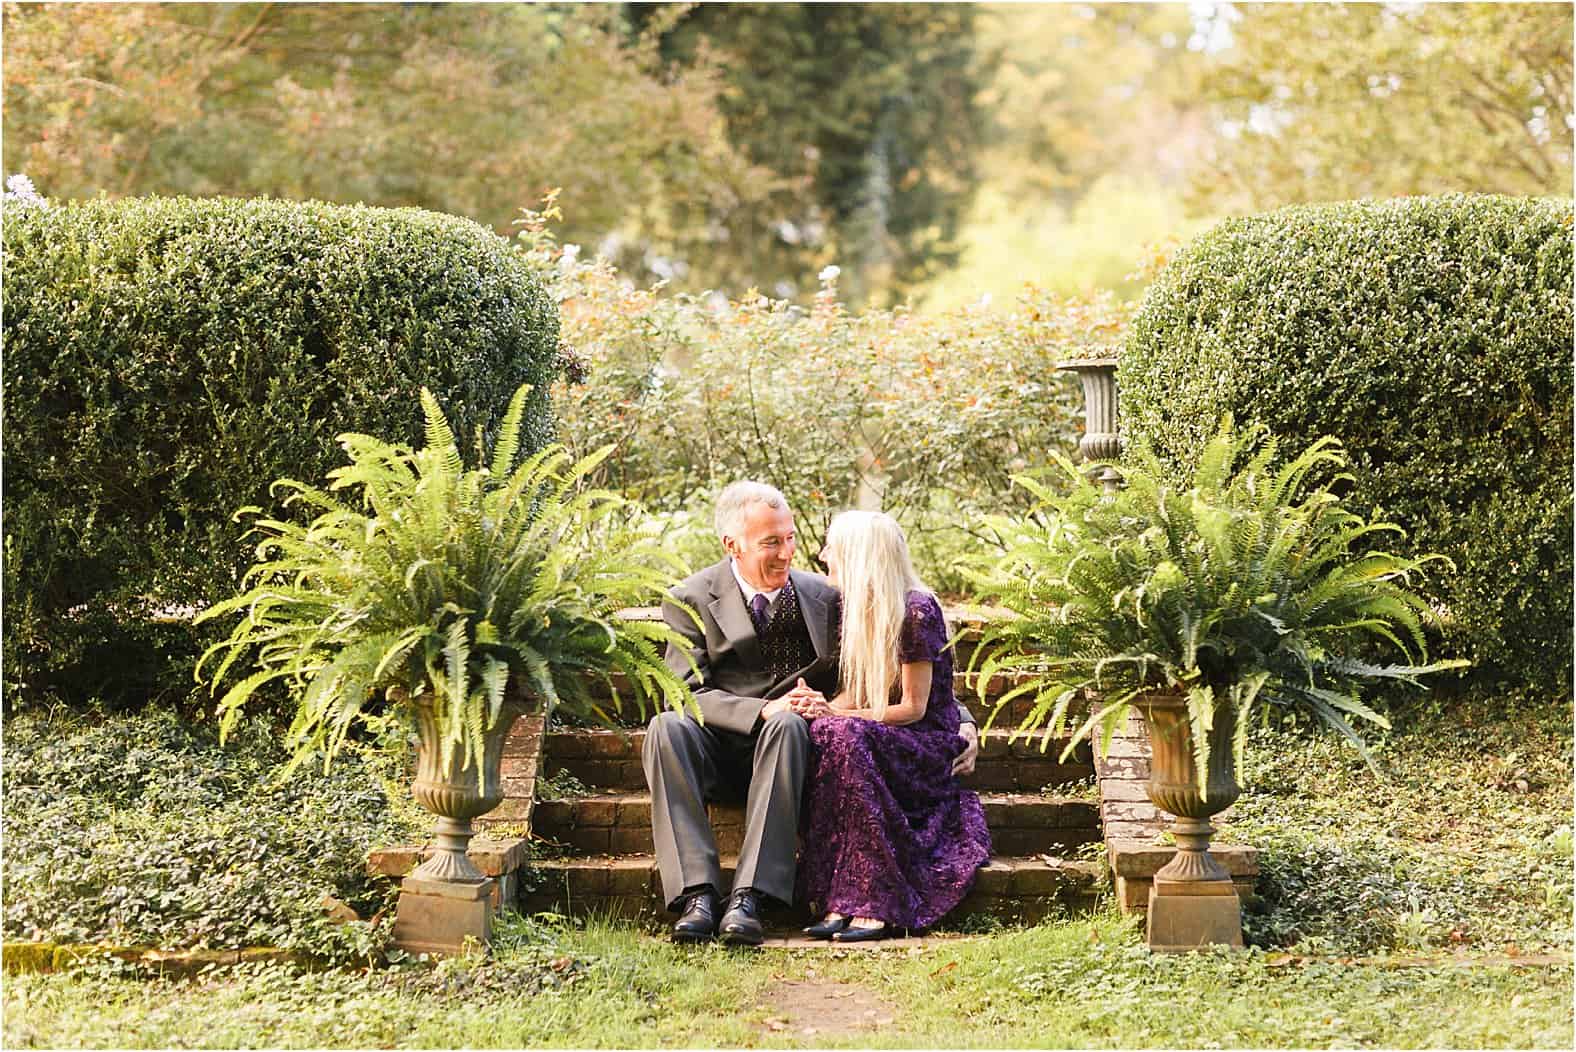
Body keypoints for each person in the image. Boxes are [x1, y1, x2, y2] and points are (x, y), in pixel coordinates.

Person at [643, 482, 979, 945]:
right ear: (731, 545)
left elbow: (898, 668)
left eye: (791, 538)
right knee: (666, 726)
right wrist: (761, 709)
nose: (787, 553)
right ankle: (697, 894)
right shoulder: (690, 598)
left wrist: (961, 719)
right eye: (770, 543)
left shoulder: (825, 596)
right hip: (718, 748)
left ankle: (750, 898)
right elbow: (683, 694)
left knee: (786, 723)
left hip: (791, 753)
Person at [795, 510, 992, 942]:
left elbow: (914, 708)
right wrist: (820, 706)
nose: (824, 554)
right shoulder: (857, 607)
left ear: (861, 554)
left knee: (840, 732)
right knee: (826, 731)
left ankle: (874, 902)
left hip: (924, 743)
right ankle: (842, 898)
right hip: (883, 736)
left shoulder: (916, 611)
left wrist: (841, 716)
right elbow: (856, 694)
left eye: (833, 547)